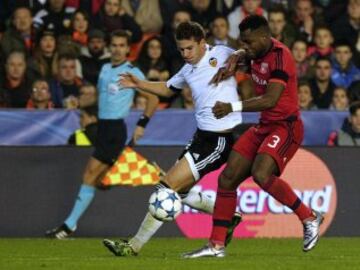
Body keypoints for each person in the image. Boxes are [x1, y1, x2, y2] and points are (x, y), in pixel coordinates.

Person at [183, 15, 324, 258]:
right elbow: (241, 54)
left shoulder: (281, 56)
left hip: (286, 127)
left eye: (249, 42)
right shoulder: (253, 52)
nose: (246, 46)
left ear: (264, 36)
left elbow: (270, 99)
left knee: (261, 173)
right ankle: (216, 246)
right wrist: (237, 55)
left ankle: (309, 217)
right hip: (264, 126)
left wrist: (231, 107)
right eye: (243, 42)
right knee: (227, 179)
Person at [102, 21, 243, 257]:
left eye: (190, 48)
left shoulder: (221, 53)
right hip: (201, 137)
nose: (185, 54)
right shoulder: (187, 70)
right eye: (181, 50)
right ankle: (227, 216)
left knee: (166, 188)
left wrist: (239, 53)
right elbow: (168, 89)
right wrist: (138, 83)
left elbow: (250, 57)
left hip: (220, 139)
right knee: (182, 192)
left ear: (201, 42)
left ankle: (133, 246)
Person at [45, 29, 159, 239]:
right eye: (113, 45)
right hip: (103, 128)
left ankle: (69, 225)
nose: (117, 49)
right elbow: (100, 96)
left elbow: (153, 98)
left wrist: (142, 124)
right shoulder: (105, 68)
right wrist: (79, 103)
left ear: (127, 49)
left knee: (90, 175)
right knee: (93, 178)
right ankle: (108, 180)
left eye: (121, 45)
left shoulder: (131, 71)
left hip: (115, 129)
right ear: (110, 47)